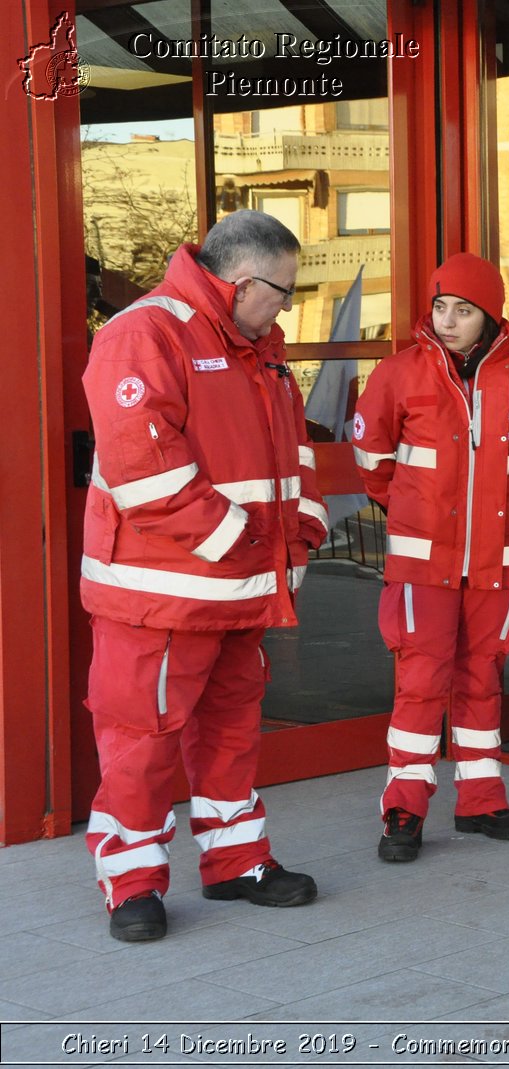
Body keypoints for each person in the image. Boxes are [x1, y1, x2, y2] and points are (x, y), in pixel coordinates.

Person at [80, 210, 328, 942]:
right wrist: (249, 543)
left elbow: (295, 454)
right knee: (141, 743)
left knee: (229, 733)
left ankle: (236, 862)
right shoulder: (142, 333)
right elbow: (144, 472)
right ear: (243, 281)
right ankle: (131, 883)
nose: (288, 305)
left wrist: (303, 531)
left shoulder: (260, 345)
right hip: (159, 597)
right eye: (285, 291)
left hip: (237, 591)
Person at [353, 254, 509, 862]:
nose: (448, 320)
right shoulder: (398, 374)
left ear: (489, 315)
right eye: (440, 306)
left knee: (482, 679)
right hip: (423, 564)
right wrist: (419, 513)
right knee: (419, 683)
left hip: (498, 565)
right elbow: (372, 463)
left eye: (463, 310)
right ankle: (404, 807)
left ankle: (481, 800)